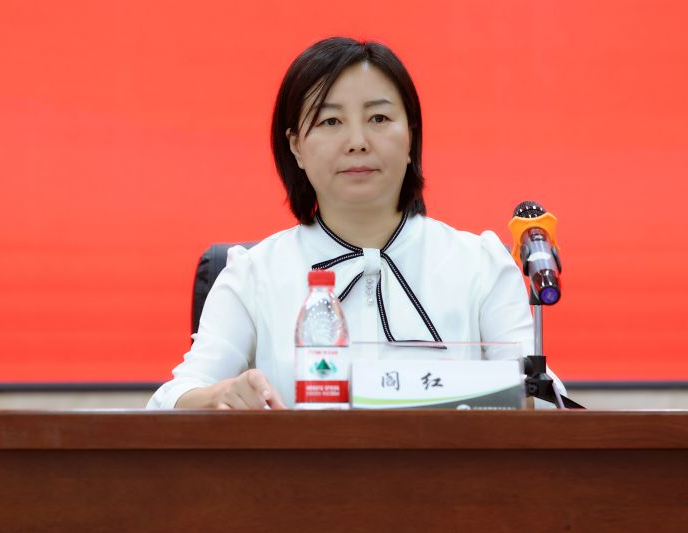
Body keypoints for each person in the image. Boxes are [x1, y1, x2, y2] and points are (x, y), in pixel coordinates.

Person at [148, 37, 564, 410]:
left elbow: (545, 402)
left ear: (410, 137)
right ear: (296, 147)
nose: (358, 142)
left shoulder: (480, 265)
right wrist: (219, 395)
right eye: (331, 122)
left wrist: (526, 395)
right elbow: (170, 400)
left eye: (378, 119)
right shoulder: (253, 274)